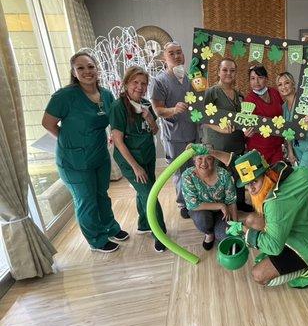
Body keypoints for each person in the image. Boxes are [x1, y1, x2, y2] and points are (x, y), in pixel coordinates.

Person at [42, 51, 128, 253]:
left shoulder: (106, 95)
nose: (87, 71)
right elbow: (48, 123)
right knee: (86, 201)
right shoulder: (64, 96)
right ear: (73, 72)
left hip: (99, 155)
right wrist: (70, 141)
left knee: (101, 195)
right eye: (80, 68)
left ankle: (110, 228)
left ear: (96, 68)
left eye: (90, 66)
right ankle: (96, 240)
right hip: (73, 161)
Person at [229, 149, 308, 288]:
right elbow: (307, 174)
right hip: (306, 234)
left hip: (306, 247)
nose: (250, 189)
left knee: (258, 275)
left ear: (267, 175)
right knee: (252, 220)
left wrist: (245, 231)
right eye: (247, 184)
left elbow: (274, 247)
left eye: (254, 181)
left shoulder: (274, 204)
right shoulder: (280, 181)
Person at [109, 66, 166, 253]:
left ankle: (144, 224)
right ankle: (160, 234)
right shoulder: (118, 107)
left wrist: (149, 117)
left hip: (147, 155)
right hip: (131, 160)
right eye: (135, 82)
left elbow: (156, 131)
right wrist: (135, 167)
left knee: (145, 191)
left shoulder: (146, 104)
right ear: (126, 83)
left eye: (143, 83)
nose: (139, 87)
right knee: (150, 194)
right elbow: (118, 141)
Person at [149, 41, 198, 219]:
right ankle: (183, 203)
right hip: (174, 135)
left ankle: (196, 198)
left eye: (179, 52)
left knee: (195, 168)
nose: (177, 56)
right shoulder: (159, 81)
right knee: (179, 171)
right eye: (172, 53)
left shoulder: (191, 77)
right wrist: (173, 110)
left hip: (194, 133)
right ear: (164, 58)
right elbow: (158, 110)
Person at [203, 58, 253, 212]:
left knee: (240, 175)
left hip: (237, 144)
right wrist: (221, 129)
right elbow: (203, 119)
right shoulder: (211, 92)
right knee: (216, 177)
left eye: (232, 70)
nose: (228, 73)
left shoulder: (239, 95)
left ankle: (240, 202)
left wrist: (248, 130)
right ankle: (218, 209)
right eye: (225, 70)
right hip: (217, 144)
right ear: (218, 72)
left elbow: (243, 119)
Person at [181, 146, 237, 250]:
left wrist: (235, 225)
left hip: (222, 213)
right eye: (200, 159)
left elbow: (231, 201)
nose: (204, 163)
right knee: (202, 220)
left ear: (214, 160)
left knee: (226, 236)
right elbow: (193, 204)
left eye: (209, 158)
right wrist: (220, 205)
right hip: (201, 210)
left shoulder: (224, 175)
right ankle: (209, 233)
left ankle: (217, 226)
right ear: (194, 160)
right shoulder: (188, 175)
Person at [276, 71, 308, 169]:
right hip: (296, 146)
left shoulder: (305, 100)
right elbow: (287, 131)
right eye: (280, 84)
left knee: (302, 173)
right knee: (304, 174)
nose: (283, 87)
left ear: (293, 83)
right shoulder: (283, 107)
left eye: (286, 83)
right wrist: (290, 152)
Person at [244, 65, 284, 164]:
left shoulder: (274, 92)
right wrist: (246, 131)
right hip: (259, 148)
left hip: (277, 145)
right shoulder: (248, 100)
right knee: (262, 178)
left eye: (260, 78)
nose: (256, 82)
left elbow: (283, 113)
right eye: (252, 78)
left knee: (278, 176)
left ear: (266, 79)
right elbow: (245, 124)